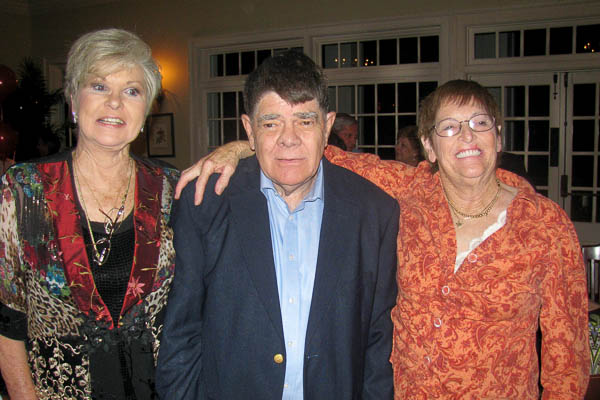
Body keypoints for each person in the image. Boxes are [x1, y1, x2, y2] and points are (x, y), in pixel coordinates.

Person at [178, 79, 590, 399]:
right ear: (429, 146)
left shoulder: (545, 226)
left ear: (498, 137)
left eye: (479, 123)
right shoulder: (407, 193)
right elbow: (309, 150)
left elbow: (567, 362)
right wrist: (239, 148)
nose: (467, 137)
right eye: (449, 127)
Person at [156, 50, 399, 399]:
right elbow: (181, 335)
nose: (289, 138)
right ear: (249, 130)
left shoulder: (374, 212)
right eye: (270, 123)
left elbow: (377, 342)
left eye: (305, 121)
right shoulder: (206, 203)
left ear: (327, 126)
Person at [0, 29, 179, 399]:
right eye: (99, 86)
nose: (114, 102)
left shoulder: (171, 190)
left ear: (146, 110)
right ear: (73, 99)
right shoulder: (24, 190)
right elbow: (6, 319)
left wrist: (237, 150)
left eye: (132, 91)